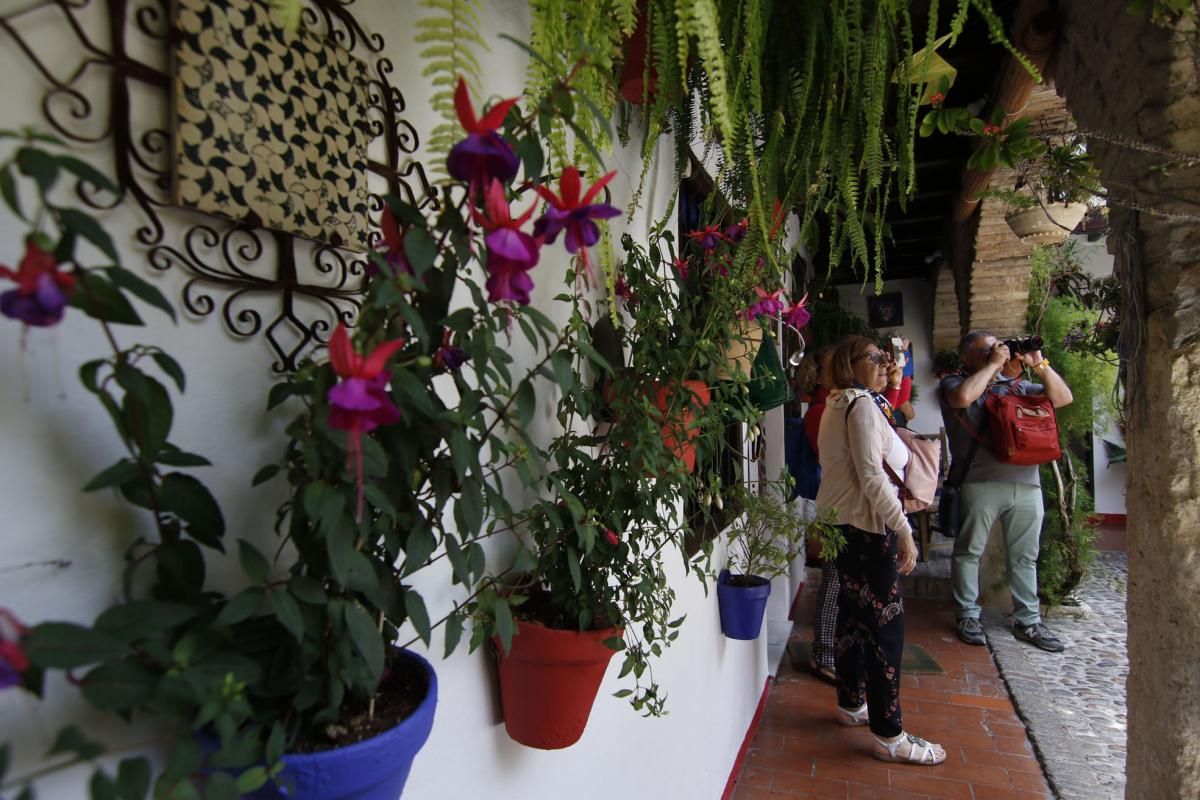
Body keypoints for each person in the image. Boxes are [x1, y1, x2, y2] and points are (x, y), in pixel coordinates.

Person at [815, 336, 946, 766]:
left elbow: (870, 445)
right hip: (867, 526)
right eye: (874, 357)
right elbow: (873, 478)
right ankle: (889, 735)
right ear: (851, 364)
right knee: (886, 629)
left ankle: (852, 703)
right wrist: (904, 530)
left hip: (844, 524)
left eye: (883, 357)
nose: (883, 362)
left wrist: (891, 382)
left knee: (854, 619)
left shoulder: (843, 404)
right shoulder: (861, 408)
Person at [939, 331, 1074, 652]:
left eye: (997, 347)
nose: (995, 352)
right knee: (969, 551)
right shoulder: (953, 383)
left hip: (1028, 484)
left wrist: (1038, 363)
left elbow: (1063, 398)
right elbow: (962, 399)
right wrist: (995, 364)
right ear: (966, 357)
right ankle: (968, 616)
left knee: (1025, 558)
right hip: (978, 482)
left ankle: (1029, 621)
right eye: (986, 349)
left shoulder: (1017, 387)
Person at [800, 346, 837, 685]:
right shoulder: (821, 410)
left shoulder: (846, 404)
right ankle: (825, 651)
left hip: (853, 502)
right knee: (835, 577)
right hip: (837, 503)